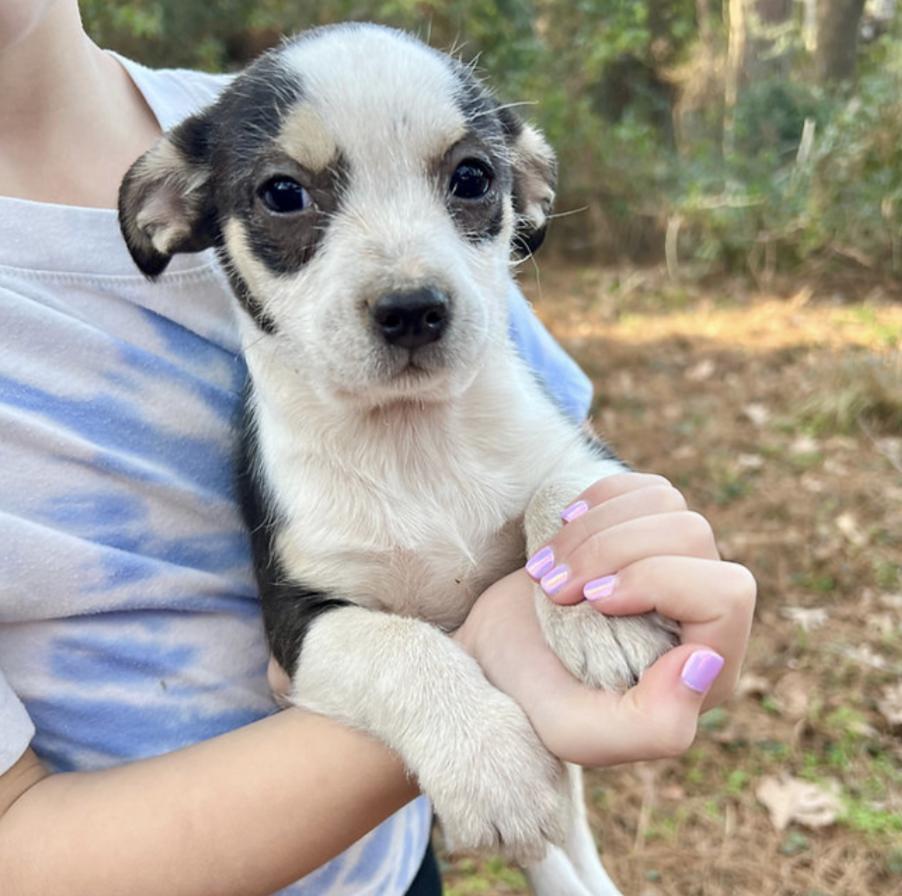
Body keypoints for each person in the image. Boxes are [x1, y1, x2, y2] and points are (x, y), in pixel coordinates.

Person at [0, 2, 756, 894]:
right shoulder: (225, 140)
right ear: (173, 212)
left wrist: (591, 538)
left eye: (469, 181)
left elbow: (575, 463)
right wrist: (465, 677)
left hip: (391, 868)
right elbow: (309, 646)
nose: (408, 284)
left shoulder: (264, 102)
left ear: (525, 195)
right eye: (287, 196)